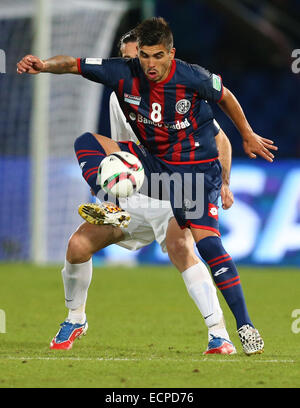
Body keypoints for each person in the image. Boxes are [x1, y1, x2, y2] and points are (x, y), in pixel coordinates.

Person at [16, 17, 277, 355]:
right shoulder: (120, 82)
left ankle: (229, 330)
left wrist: (241, 147)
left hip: (187, 181)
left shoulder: (192, 78)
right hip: (141, 179)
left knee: (197, 247)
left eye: (155, 56)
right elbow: (72, 64)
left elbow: (224, 108)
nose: (147, 65)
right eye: (140, 57)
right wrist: (43, 65)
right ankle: (76, 315)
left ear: (170, 54)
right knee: (78, 241)